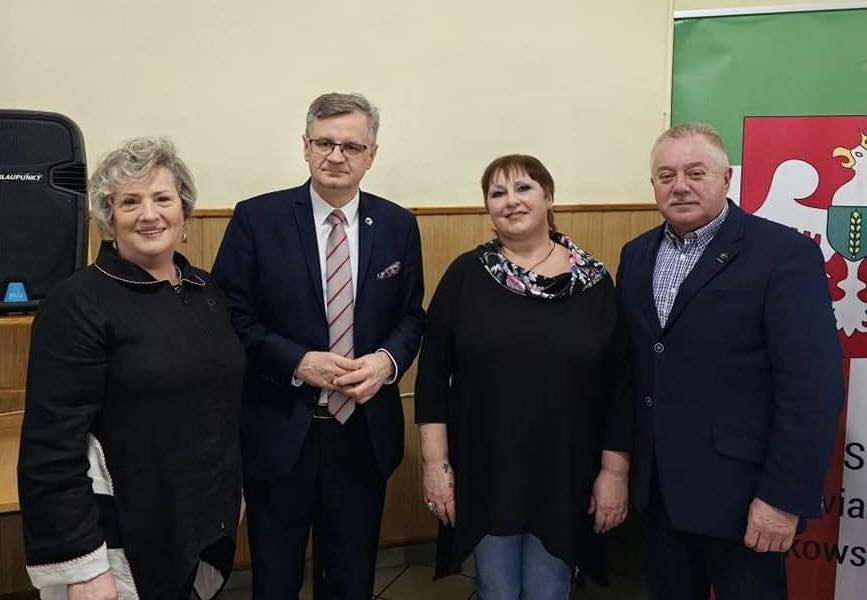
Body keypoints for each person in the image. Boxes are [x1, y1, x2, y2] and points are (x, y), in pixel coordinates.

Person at [617, 122, 844, 599]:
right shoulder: (635, 256)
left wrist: (783, 499)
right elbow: (632, 371)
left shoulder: (784, 254)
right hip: (658, 498)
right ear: (653, 184)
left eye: (695, 172)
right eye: (666, 176)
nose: (680, 186)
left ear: (727, 178)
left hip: (744, 501)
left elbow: (812, 388)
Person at [212, 92, 424, 599]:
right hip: (280, 431)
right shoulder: (257, 219)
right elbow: (228, 318)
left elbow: (411, 316)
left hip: (362, 434)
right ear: (305, 147)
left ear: (371, 155)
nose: (336, 156)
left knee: (351, 581)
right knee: (275, 580)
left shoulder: (397, 225)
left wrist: (386, 362)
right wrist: (298, 362)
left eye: (351, 146)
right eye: (325, 143)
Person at [17, 137, 245, 600]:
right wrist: (83, 566)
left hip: (198, 526)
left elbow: (218, 406)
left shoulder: (205, 290)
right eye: (130, 202)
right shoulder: (77, 303)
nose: (149, 214)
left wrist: (229, 492)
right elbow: (51, 446)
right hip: (118, 543)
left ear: (184, 211)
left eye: (162, 198)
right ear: (109, 217)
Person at [414, 154, 632, 599]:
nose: (511, 201)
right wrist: (435, 466)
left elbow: (620, 387)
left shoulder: (594, 282)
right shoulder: (465, 275)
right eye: (498, 193)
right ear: (487, 209)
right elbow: (432, 380)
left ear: (549, 197)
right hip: (487, 468)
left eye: (524, 188)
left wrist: (615, 471)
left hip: (565, 470)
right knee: (496, 588)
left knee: (548, 588)